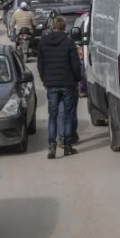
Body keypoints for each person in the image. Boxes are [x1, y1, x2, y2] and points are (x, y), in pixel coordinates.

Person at [37, 16, 82, 159]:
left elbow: (40, 64)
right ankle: (67, 146)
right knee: (68, 115)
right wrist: (77, 80)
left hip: (51, 85)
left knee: (53, 116)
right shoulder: (69, 42)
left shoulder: (43, 42)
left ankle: (52, 147)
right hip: (68, 83)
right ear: (64, 28)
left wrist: (45, 80)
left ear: (52, 27)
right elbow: (75, 65)